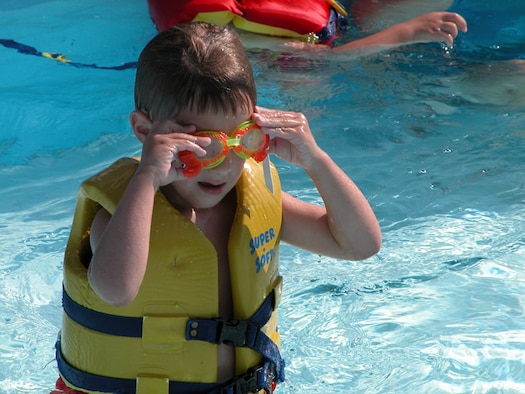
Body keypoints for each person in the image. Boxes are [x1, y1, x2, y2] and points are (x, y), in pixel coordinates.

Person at [53, 22, 381, 394]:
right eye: (204, 146)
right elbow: (115, 290)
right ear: (146, 132)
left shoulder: (247, 203)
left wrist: (316, 160)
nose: (224, 166)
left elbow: (361, 245)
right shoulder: (120, 218)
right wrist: (146, 178)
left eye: (242, 141)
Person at [147, 0, 467, 58]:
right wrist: (406, 32)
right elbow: (326, 59)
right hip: (290, 57)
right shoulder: (206, 16)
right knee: (304, 71)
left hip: (333, 19)